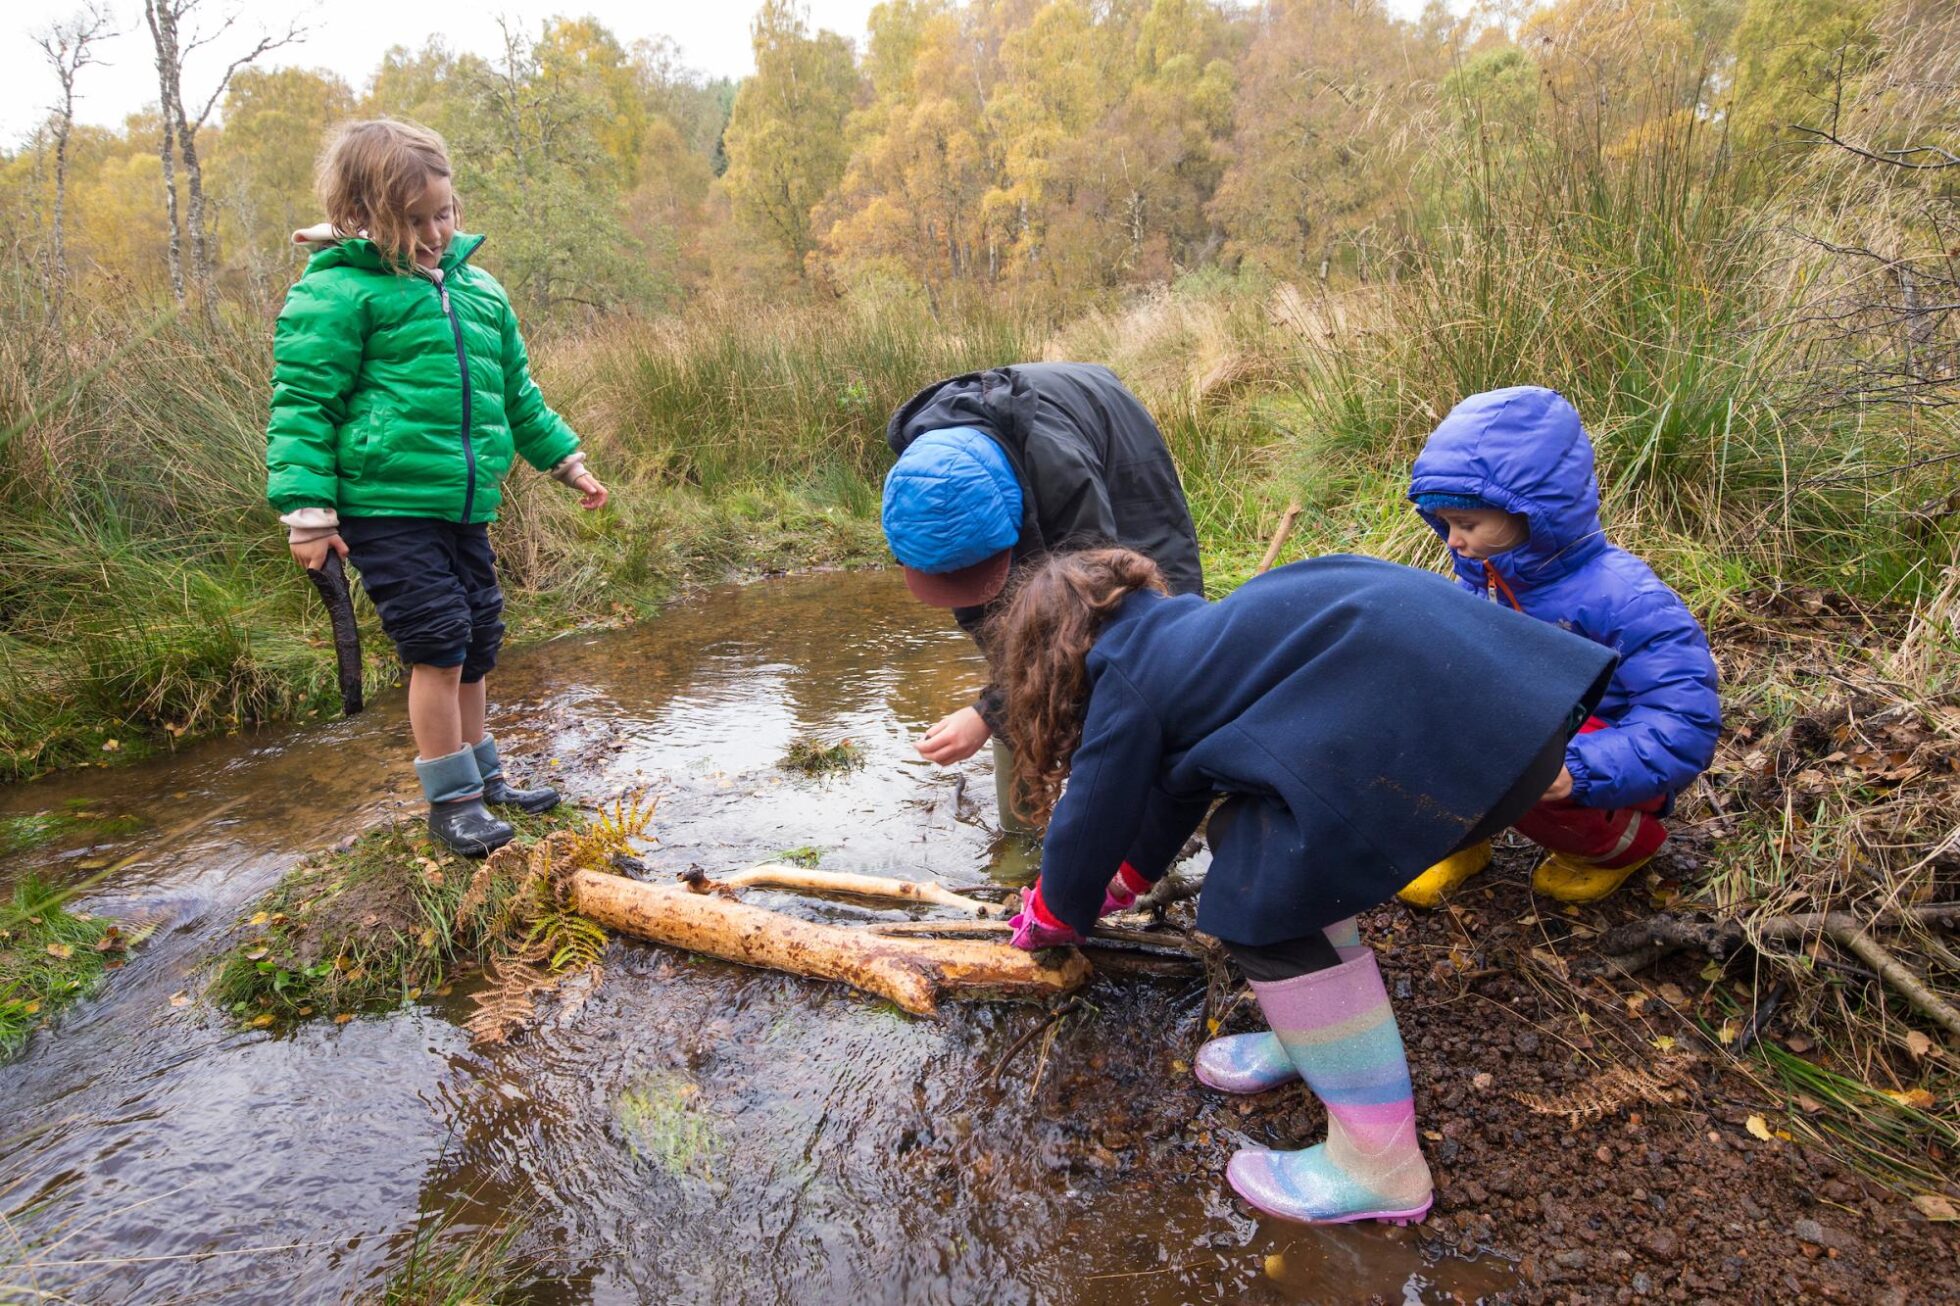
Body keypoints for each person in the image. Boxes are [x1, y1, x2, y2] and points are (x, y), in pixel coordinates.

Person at [995, 548, 1616, 1226]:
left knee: (1259, 898)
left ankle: (1379, 1165)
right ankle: (1309, 1034)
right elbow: (1179, 790)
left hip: (1460, 748)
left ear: (1052, 662)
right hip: (1517, 721)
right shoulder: (1193, 643)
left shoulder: (1126, 675)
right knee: (1251, 835)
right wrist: (1130, 880)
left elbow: (1087, 820)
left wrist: (1057, 912)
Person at [265, 119, 609, 857]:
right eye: (411, 221)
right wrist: (308, 516)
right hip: (386, 505)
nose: (434, 234)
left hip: (464, 506)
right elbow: (303, 405)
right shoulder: (340, 294)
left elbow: (516, 394)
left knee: (479, 638)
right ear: (360, 217)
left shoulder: (480, 292)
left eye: (442, 215)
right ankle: (450, 801)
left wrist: (566, 461)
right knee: (438, 643)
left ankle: (484, 778)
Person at [1397, 387, 1721, 907]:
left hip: (1600, 759)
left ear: (1528, 513)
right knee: (1425, 719)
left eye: (1468, 524)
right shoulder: (1485, 580)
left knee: (1517, 745)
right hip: (1528, 735)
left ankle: (1617, 848)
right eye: (1446, 526)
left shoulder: (1625, 598)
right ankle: (1461, 840)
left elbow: (1684, 719)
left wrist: (1584, 767)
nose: (1453, 542)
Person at [881, 363, 1202, 832]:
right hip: (1010, 468)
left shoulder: (1066, 482)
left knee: (1150, 635)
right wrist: (1001, 705)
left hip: (1112, 434)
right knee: (1023, 657)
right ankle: (1024, 831)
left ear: (1012, 526)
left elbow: (1091, 615)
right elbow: (984, 618)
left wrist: (986, 715)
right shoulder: (917, 488)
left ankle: (1156, 817)